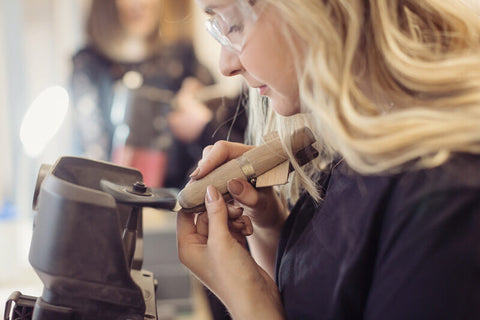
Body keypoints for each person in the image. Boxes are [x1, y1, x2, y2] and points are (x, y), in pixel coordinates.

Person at [176, 0, 480, 319]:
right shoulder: (349, 152)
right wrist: (267, 226)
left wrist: (247, 302)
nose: (226, 65)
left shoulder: (447, 199)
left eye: (233, 25)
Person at [70, 0, 215, 188]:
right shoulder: (89, 66)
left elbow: (215, 137)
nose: (140, 3)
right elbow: (92, 150)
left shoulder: (183, 61)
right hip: (111, 200)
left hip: (177, 202)